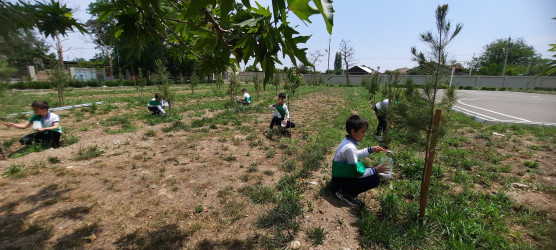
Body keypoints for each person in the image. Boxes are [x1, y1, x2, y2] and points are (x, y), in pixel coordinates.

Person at [332, 115, 390, 207]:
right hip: (340, 180)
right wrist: (376, 170)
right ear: (353, 132)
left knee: (369, 171)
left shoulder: (347, 141)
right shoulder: (350, 148)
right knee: (374, 179)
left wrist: (371, 149)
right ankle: (346, 193)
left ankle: (345, 190)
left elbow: (356, 154)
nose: (364, 134)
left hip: (340, 176)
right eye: (362, 132)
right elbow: (358, 173)